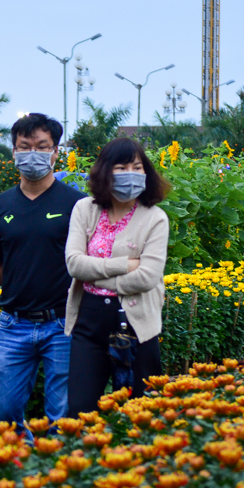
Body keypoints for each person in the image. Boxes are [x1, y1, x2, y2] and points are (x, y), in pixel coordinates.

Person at [0, 113, 86, 431]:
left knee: (64, 418)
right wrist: (21, 283)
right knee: (5, 414)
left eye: (42, 146)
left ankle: (57, 476)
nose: (33, 154)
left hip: (65, 325)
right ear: (13, 152)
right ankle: (19, 475)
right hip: (14, 325)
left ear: (56, 152)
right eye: (25, 147)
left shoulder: (78, 205)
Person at [64, 137, 171, 415]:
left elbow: (147, 277)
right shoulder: (85, 209)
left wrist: (94, 276)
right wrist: (124, 264)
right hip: (89, 322)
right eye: (121, 168)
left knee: (141, 411)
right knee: (81, 409)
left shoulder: (155, 217)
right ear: (105, 172)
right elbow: (74, 264)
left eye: (137, 167)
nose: (131, 175)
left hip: (136, 323)